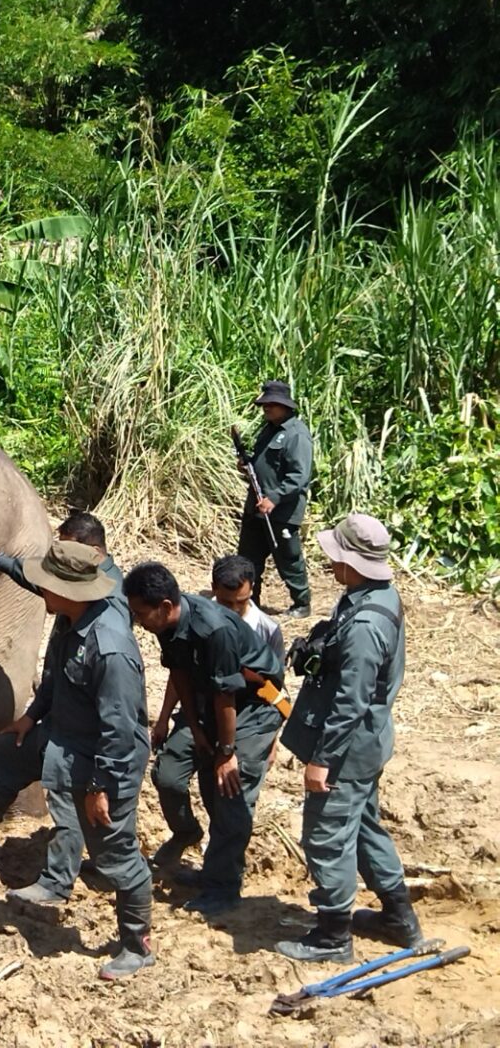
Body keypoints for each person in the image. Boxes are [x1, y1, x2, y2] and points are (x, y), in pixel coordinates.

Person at [0, 540, 153, 979]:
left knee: (118, 853)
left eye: (47, 584)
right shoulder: (72, 623)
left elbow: (120, 729)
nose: (40, 591)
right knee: (98, 842)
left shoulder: (109, 646)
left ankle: (137, 945)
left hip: (105, 762)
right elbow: (57, 680)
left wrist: (101, 787)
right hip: (75, 751)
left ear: (70, 591)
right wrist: (33, 717)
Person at [0, 513, 121, 908]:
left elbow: (118, 719)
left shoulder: (110, 629)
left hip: (89, 740)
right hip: (57, 718)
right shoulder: (73, 598)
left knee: (70, 799)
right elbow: (39, 579)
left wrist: (100, 777)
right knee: (3, 755)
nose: (46, 584)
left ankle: (58, 884)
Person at [276, 514, 421, 963]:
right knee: (362, 829)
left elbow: (350, 702)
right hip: (367, 745)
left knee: (326, 836)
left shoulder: (363, 625)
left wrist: (323, 760)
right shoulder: (374, 597)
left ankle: (333, 935)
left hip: (347, 749)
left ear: (350, 561)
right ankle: (400, 919)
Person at [125, 561, 286, 916]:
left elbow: (226, 696)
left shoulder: (214, 630)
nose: (138, 621)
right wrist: (196, 730)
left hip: (251, 708)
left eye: (140, 614)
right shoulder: (166, 622)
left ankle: (222, 886)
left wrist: (226, 752)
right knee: (168, 773)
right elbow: (179, 671)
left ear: (165, 606)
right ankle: (189, 835)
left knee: (230, 791)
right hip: (209, 705)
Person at [237, 380, 313, 619]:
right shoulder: (268, 430)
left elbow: (299, 475)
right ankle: (250, 600)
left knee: (287, 558)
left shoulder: (296, 434)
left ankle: (301, 602)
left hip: (282, 512)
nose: (266, 408)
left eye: (272, 404)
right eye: (264, 404)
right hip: (256, 507)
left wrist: (275, 498)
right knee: (248, 558)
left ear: (285, 406)